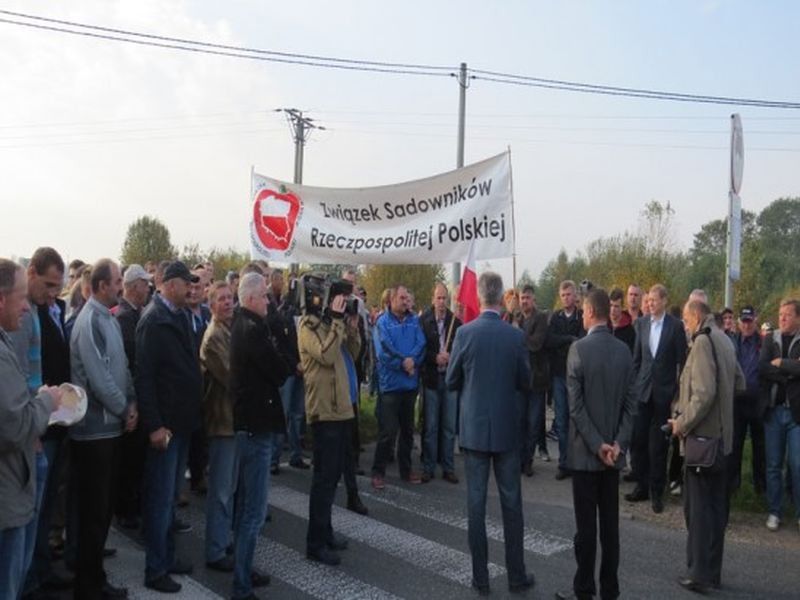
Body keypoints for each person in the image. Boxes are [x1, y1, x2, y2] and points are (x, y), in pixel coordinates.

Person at [446, 271, 535, 596]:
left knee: (476, 505)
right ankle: (516, 576)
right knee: (512, 505)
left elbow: (451, 380)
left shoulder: (465, 334)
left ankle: (480, 578)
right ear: (501, 300)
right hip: (507, 431)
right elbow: (526, 381)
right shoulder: (514, 336)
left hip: (474, 431)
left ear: (481, 297)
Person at [556, 289, 636, 600]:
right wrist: (618, 444)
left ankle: (584, 589)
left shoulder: (578, 349)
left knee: (586, 528)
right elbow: (632, 406)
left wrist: (597, 444)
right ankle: (610, 591)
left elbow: (574, 408)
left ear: (589, 311)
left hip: (586, 455)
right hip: (612, 456)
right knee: (610, 528)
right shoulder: (624, 351)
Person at [69, 259, 136, 599]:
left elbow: (120, 366)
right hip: (93, 431)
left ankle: (96, 578)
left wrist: (132, 400)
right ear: (100, 286)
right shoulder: (90, 320)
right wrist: (123, 407)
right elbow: (98, 378)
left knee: (103, 509)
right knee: (93, 513)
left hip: (110, 429)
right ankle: (88, 586)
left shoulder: (107, 316)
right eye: (117, 281)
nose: (121, 286)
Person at [136, 261, 202, 594]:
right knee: (160, 500)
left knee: (171, 500)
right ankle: (155, 568)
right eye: (186, 283)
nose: (191, 289)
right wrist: (155, 425)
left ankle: (168, 556)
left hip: (182, 422)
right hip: (166, 426)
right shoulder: (154, 320)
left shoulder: (177, 315)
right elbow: (144, 378)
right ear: (169, 284)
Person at [668, 300, 742, 593]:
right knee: (715, 509)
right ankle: (712, 572)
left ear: (697, 317)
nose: (685, 326)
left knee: (697, 510)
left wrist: (681, 423)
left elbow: (703, 392)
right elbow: (739, 382)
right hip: (724, 439)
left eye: (686, 320)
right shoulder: (724, 338)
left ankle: (698, 574)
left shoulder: (702, 342)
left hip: (702, 440)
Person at [0, 259, 62, 600]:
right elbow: (15, 425)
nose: (27, 306)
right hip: (7, 495)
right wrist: (46, 402)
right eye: (21, 297)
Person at [229, 273, 290, 600]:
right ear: (251, 298)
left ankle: (244, 567)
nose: (268, 301)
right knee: (253, 509)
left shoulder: (244, 325)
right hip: (256, 427)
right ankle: (240, 585)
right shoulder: (252, 332)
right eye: (264, 296)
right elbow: (280, 371)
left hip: (251, 424)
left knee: (246, 507)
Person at [298, 279, 362, 566]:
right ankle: (314, 542)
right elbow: (325, 355)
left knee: (334, 477)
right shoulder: (308, 326)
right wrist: (336, 322)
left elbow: (354, 352)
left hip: (343, 410)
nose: (343, 303)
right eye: (340, 299)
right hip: (324, 413)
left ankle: (326, 531)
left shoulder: (333, 323)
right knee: (323, 479)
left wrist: (350, 326)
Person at [626, 284, 687, 513]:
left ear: (663, 301)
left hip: (663, 394)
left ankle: (656, 492)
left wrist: (678, 395)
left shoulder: (675, 326)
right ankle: (641, 486)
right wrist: (633, 387)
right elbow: (637, 360)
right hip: (642, 393)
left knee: (658, 446)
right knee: (638, 441)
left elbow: (683, 362)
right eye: (648, 300)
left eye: (653, 300)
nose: (649, 303)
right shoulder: (641, 324)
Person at [371, 285, 426, 489]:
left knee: (407, 432)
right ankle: (378, 471)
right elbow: (383, 352)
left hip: (409, 385)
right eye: (401, 297)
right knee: (388, 432)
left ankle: (406, 470)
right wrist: (404, 363)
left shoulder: (414, 321)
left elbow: (421, 345)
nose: (405, 301)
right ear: (391, 300)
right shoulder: (382, 323)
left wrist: (414, 360)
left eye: (406, 297)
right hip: (391, 386)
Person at [199, 282, 237, 573]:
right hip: (222, 421)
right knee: (221, 491)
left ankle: (223, 539)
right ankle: (215, 549)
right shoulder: (214, 337)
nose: (228, 303)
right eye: (221, 299)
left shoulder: (230, 331)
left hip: (233, 421)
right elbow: (231, 375)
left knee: (231, 488)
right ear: (211, 306)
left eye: (230, 298)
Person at [114, 264, 152, 531]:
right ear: (134, 285)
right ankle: (126, 510)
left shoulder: (137, 313)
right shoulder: (125, 317)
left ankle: (133, 504)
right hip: (131, 397)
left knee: (137, 458)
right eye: (144, 283)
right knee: (129, 459)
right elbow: (131, 359)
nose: (148, 287)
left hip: (139, 395)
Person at [758, 298, 800, 532]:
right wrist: (790, 370)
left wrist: (781, 363)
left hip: (796, 413)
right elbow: (762, 368)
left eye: (787, 314)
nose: (782, 318)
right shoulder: (770, 339)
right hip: (773, 410)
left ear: (798, 318)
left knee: (797, 463)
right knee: (773, 465)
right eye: (780, 313)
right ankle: (775, 511)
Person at [418, 283, 461, 484]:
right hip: (431, 379)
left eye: (445, 298)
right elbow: (419, 350)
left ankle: (448, 467)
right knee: (431, 426)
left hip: (450, 380)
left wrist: (451, 356)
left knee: (449, 427)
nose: (442, 302)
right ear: (433, 298)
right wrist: (434, 357)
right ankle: (428, 467)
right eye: (439, 298)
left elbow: (461, 351)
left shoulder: (456, 322)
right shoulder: (423, 321)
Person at [546, 280, 586, 480]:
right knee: (561, 421)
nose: (566, 298)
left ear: (575, 295)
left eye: (569, 294)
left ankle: (577, 462)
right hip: (558, 376)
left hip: (577, 377)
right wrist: (567, 339)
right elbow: (550, 341)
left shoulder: (582, 317)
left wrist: (568, 341)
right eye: (563, 295)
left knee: (576, 420)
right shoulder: (555, 318)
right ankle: (564, 462)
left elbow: (581, 341)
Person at [730, 305, 766, 495]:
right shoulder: (732, 341)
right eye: (743, 322)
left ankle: (760, 486)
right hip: (738, 401)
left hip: (758, 401)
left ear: (755, 320)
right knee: (735, 444)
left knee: (760, 446)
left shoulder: (763, 342)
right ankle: (733, 485)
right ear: (739, 322)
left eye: (749, 321)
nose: (746, 325)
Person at [518, 284, 549, 475]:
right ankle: (521, 459)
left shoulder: (541, 319)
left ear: (533, 299)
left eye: (527, 298)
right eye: (522, 298)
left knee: (533, 422)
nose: (524, 301)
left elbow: (536, 344)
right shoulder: (518, 319)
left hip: (537, 379)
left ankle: (528, 460)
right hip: (521, 379)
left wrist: (518, 335)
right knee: (520, 422)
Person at [609, 288, 635, 354]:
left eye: (616, 306)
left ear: (622, 307)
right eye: (610, 305)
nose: (612, 309)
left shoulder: (630, 331)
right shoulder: (603, 325)